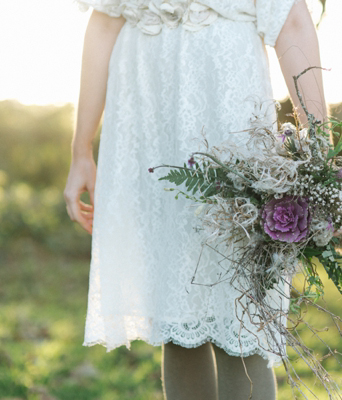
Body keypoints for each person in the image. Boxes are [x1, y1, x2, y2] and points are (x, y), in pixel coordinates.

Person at [63, 1, 327, 399]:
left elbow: (291, 20)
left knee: (242, 313)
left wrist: (317, 144)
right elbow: (104, 23)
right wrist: (81, 149)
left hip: (227, 105)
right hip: (148, 116)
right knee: (177, 309)